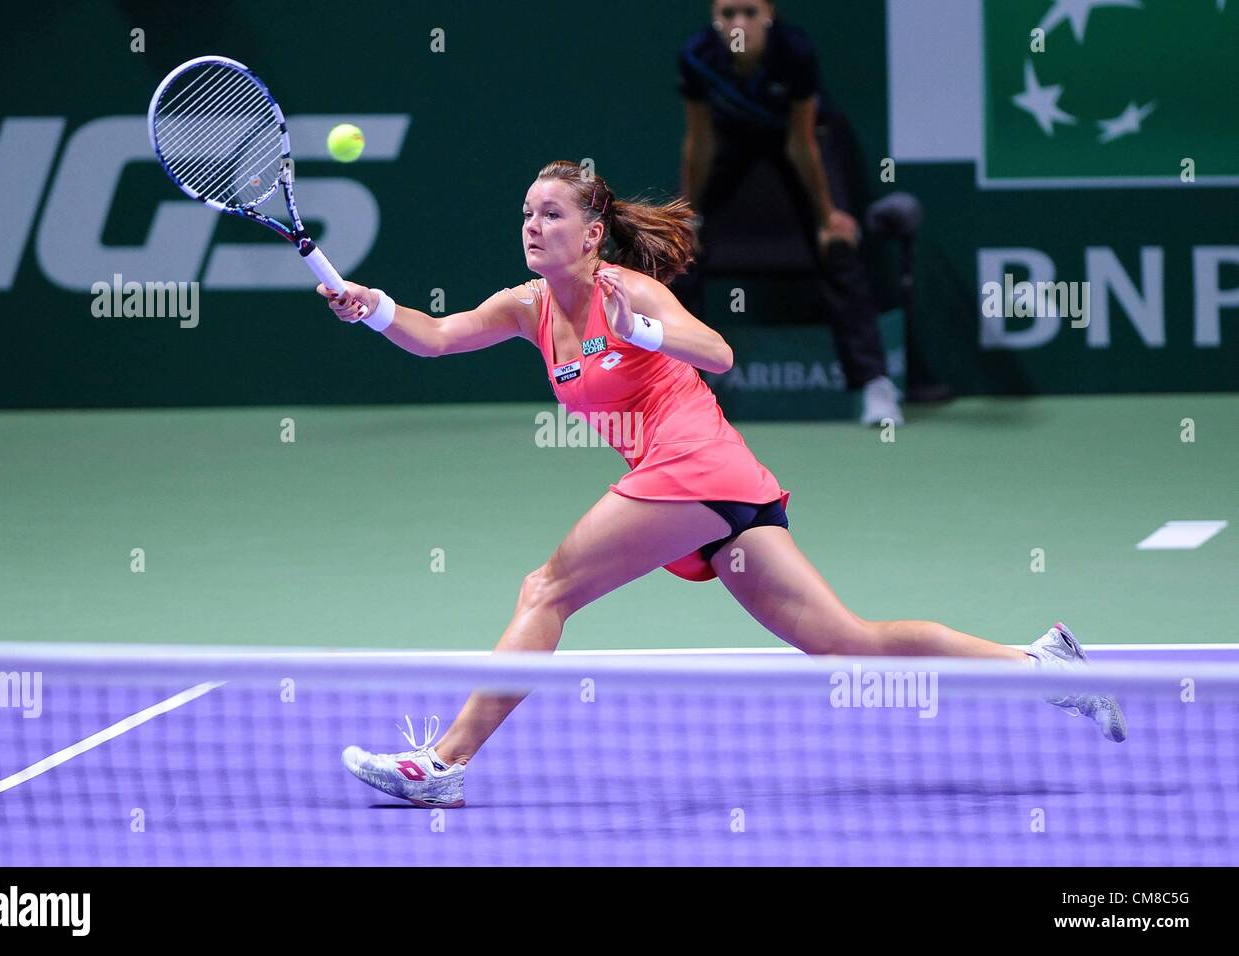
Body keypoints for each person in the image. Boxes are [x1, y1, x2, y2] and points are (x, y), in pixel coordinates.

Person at [328, 160, 1124, 809]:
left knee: (547, 590)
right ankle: (1041, 665)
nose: (534, 226)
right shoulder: (525, 306)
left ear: (593, 233)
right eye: (528, 213)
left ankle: (444, 762)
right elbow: (433, 337)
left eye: (552, 214)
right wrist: (371, 308)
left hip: (696, 464)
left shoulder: (625, 292)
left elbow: (717, 354)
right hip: (717, 489)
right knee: (847, 643)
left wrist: (645, 329)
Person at [674, 0, 903, 426]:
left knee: (838, 245)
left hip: (794, 144)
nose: (738, 24)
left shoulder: (795, 51)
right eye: (727, 14)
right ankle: (680, 393)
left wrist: (826, 215)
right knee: (676, 250)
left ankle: (875, 385)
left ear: (770, 16)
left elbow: (801, 142)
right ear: (713, 19)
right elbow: (700, 141)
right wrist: (689, 215)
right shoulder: (696, 56)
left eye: (749, 12)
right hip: (730, 145)